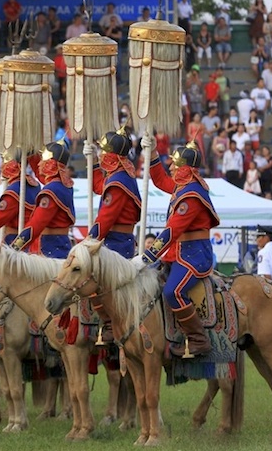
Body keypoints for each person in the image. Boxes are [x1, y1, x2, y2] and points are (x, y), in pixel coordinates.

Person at [133, 138, 220, 358]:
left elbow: (172, 231)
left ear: (186, 169)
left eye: (175, 164)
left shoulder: (191, 194)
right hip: (179, 253)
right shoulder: (185, 186)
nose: (170, 166)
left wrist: (146, 256)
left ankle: (198, 340)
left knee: (173, 291)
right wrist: (151, 153)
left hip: (193, 255)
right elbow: (160, 179)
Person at [83, 128, 141, 343]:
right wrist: (94, 164)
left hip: (116, 244)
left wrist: (87, 243)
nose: (101, 155)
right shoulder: (119, 176)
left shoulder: (119, 181)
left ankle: (109, 323)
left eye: (103, 152)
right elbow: (99, 186)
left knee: (90, 282)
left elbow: (105, 219)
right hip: (116, 241)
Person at [11, 140, 75, 258]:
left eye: (43, 161)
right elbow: (44, 176)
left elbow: (36, 224)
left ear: (51, 164)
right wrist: (32, 155)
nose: (40, 165)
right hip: (59, 244)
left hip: (50, 249)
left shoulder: (52, 190)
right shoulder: (62, 184)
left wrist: (14, 247)